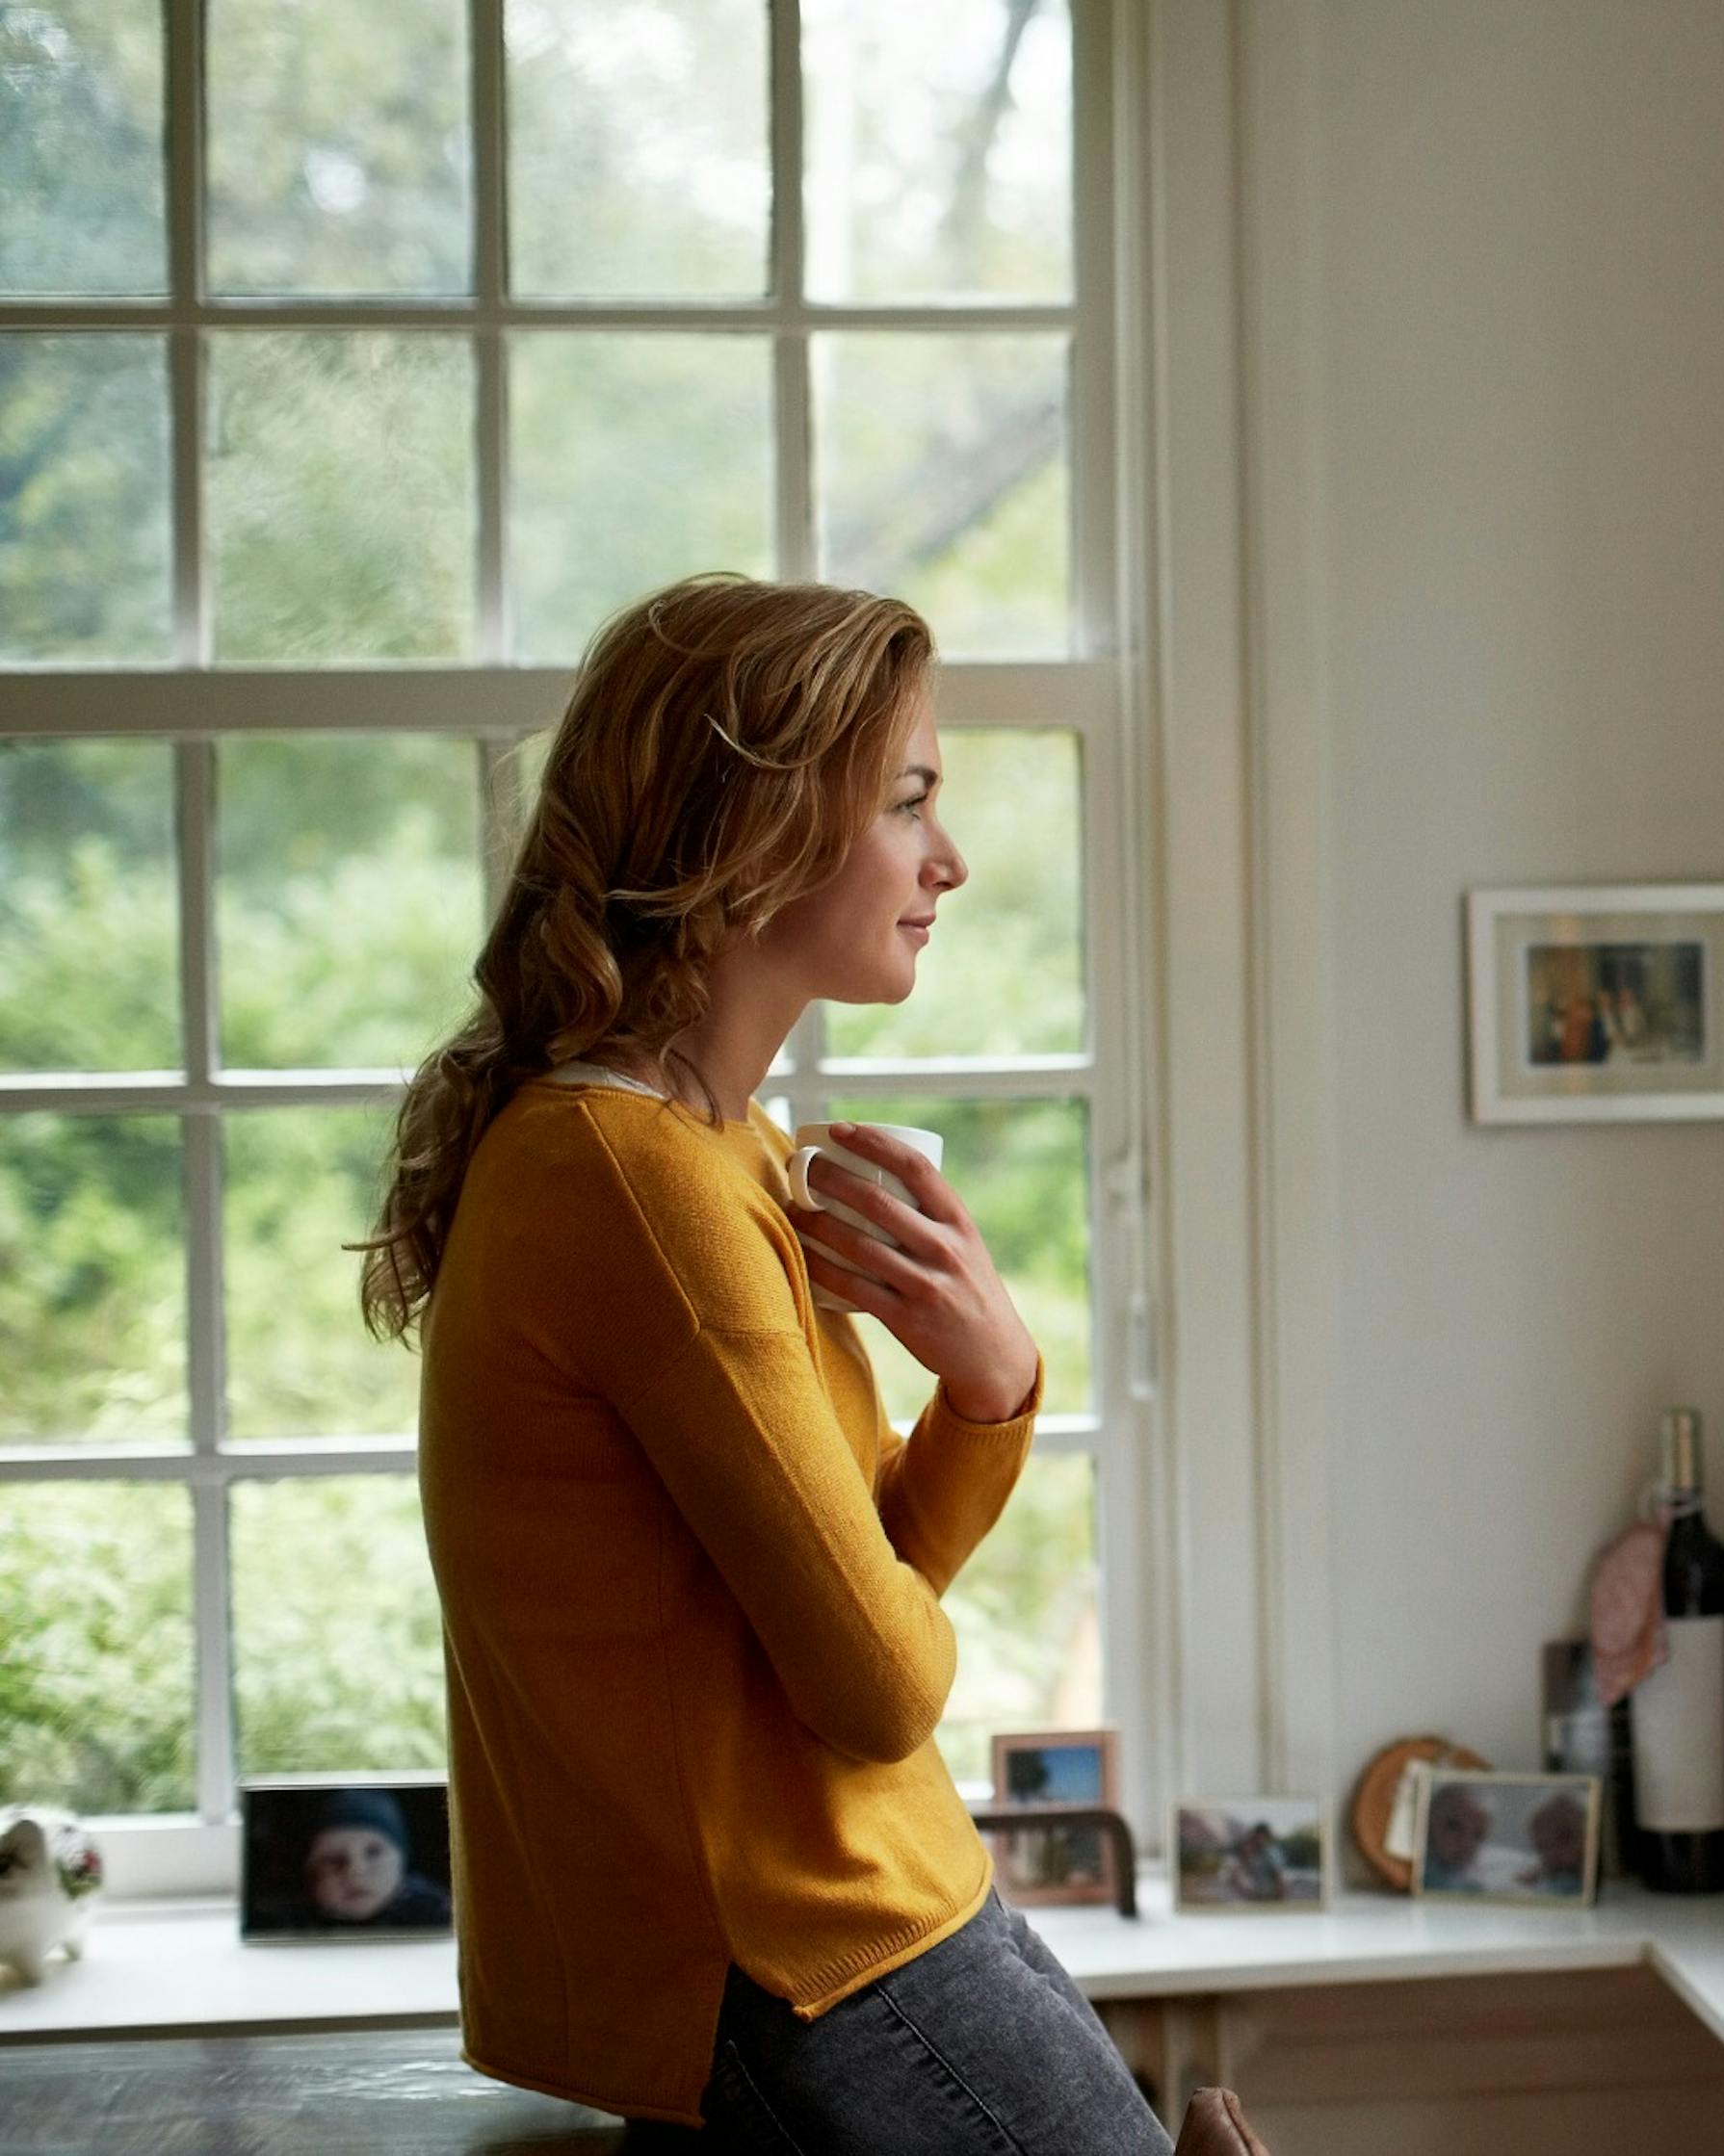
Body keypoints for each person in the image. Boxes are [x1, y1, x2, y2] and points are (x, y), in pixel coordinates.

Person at [364, 577, 1164, 2152]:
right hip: (807, 1959)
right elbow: (878, 1681)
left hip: (859, 1925)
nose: (951, 859)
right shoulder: (630, 1174)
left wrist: (990, 1384)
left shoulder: (718, 1150)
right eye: (911, 800)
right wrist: (982, 1409)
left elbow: (853, 1585)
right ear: (755, 826)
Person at [300, 1789, 451, 1931]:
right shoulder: (293, 1925)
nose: (355, 1871)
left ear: (402, 1861)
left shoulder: (439, 1915)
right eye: (333, 1860)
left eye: (373, 1853)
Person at [1420, 1785, 1493, 1892]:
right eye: (1454, 1826)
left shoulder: (1474, 1883)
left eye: (1478, 1835)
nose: (1466, 1843)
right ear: (1428, 1821)